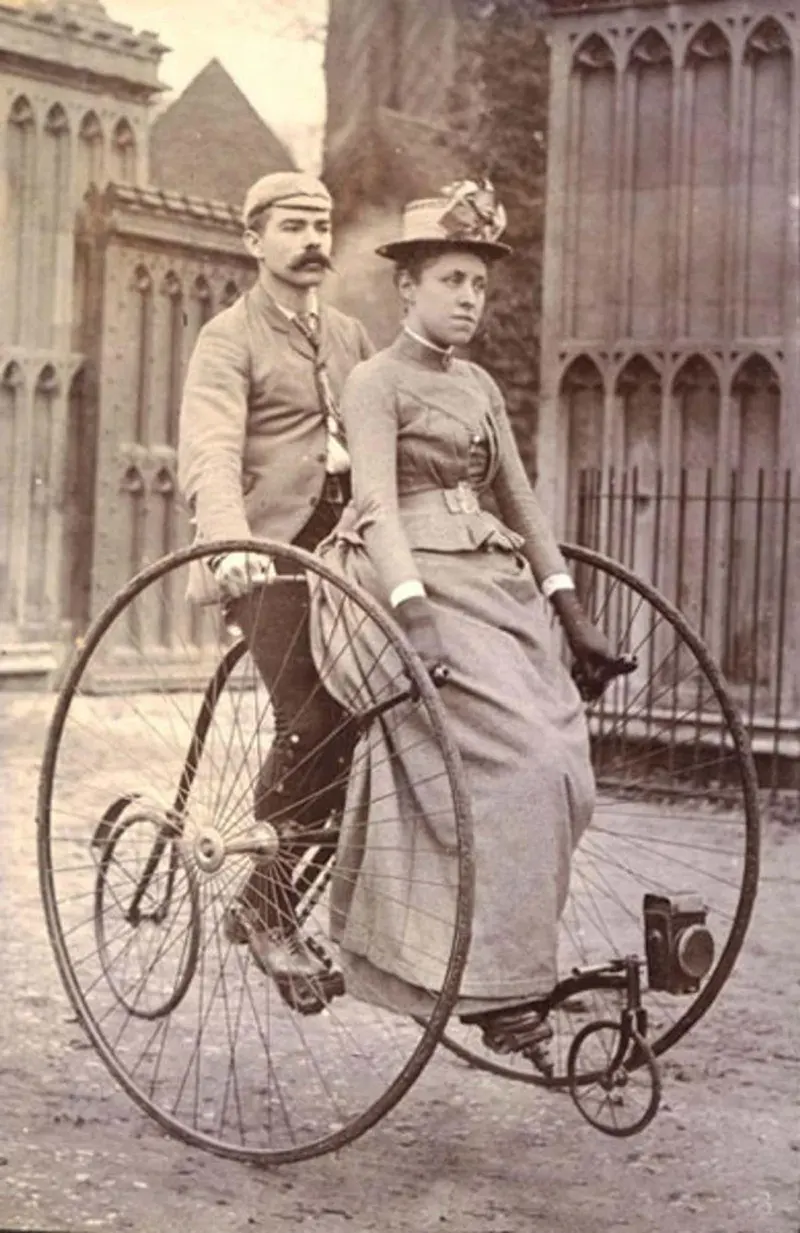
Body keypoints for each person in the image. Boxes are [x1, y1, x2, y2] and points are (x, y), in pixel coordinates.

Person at [308, 180, 634, 1064]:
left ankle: (511, 967)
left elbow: (522, 503)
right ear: (405, 287)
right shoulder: (375, 383)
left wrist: (572, 611)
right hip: (404, 584)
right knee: (517, 764)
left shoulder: (481, 385)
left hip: (494, 589)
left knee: (565, 762)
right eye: (452, 278)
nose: (468, 299)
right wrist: (412, 615)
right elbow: (374, 504)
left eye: (479, 285)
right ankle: (493, 990)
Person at [176, 170, 373, 1001]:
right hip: (271, 555)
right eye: (294, 226)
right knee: (316, 712)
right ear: (254, 240)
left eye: (323, 224)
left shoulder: (355, 336)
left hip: (350, 553)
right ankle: (265, 905)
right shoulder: (229, 338)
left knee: (375, 713)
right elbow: (212, 449)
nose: (313, 240)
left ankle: (285, 898)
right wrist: (230, 544)